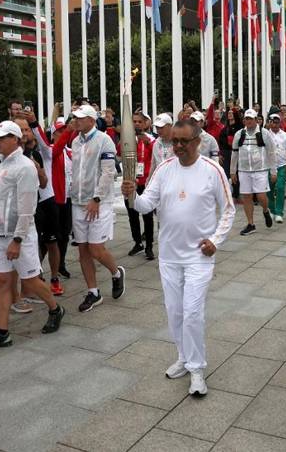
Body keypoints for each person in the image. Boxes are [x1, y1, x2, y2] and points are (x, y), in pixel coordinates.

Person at [121, 120, 234, 397]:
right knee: (175, 311)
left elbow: (229, 210)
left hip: (199, 255)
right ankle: (184, 357)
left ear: (198, 141)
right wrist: (132, 197)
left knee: (193, 311)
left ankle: (197, 369)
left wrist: (215, 241)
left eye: (185, 141)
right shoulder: (163, 169)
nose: (179, 147)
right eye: (175, 141)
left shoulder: (212, 170)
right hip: (169, 255)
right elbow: (147, 203)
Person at [0, 121, 65, 351]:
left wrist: (17, 240)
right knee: (2, 282)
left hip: (19, 236)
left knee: (31, 281)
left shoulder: (25, 167)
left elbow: (27, 208)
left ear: (15, 139)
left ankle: (55, 308)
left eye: (3, 137)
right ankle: (2, 331)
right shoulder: (2, 163)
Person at [67, 104, 125, 312]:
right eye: (75, 117)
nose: (77, 120)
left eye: (81, 118)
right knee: (82, 248)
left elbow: (108, 173)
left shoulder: (104, 140)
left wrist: (97, 198)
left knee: (96, 249)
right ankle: (93, 291)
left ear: (92, 120)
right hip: (78, 202)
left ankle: (116, 272)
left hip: (99, 202)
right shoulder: (75, 141)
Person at [14, 115, 64, 297]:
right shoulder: (8, 156)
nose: (25, 133)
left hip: (45, 201)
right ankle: (31, 284)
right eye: (22, 130)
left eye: (27, 129)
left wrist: (39, 170)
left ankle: (54, 277)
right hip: (26, 207)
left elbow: (43, 183)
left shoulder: (36, 153)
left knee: (51, 242)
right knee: (31, 245)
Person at [230, 109, 277, 235]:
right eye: (246, 119)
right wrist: (232, 171)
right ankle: (251, 224)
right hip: (244, 170)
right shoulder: (239, 134)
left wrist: (273, 171)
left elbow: (271, 152)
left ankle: (266, 210)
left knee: (261, 195)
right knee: (247, 197)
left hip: (260, 169)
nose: (248, 121)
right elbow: (234, 153)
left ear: (256, 120)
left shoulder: (264, 133)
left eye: (251, 119)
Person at [126, 111, 156, 260]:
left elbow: (155, 157)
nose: (137, 124)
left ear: (145, 123)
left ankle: (149, 245)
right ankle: (137, 242)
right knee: (132, 214)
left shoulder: (150, 139)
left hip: (146, 183)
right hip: (131, 183)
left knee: (147, 215)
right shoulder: (128, 138)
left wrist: (148, 144)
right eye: (134, 121)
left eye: (139, 122)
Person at [266, 113, 286, 223]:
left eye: (277, 122)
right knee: (269, 188)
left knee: (280, 187)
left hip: (282, 165)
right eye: (273, 122)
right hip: (269, 165)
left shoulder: (285, 135)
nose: (275, 125)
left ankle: (279, 212)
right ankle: (271, 210)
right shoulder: (265, 134)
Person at [150, 113, 175, 178]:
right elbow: (153, 165)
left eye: (161, 127)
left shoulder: (179, 143)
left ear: (170, 125)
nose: (158, 130)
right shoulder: (156, 143)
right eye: (157, 127)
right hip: (161, 181)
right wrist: (149, 181)